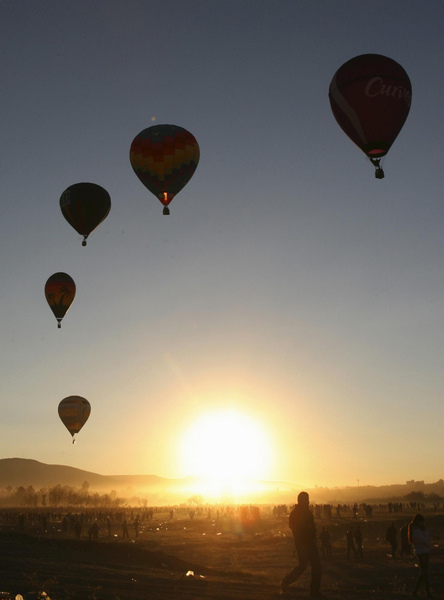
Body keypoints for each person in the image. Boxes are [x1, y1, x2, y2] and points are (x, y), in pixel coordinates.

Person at [280, 492, 322, 598]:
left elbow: (310, 526)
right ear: (301, 500)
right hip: (302, 543)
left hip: (310, 542)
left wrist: (312, 530)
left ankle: (314, 592)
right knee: (303, 566)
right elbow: (293, 527)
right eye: (306, 499)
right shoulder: (295, 513)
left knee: (316, 567)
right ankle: (286, 582)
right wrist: (306, 528)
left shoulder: (307, 512)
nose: (308, 501)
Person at [409, 514, 432, 598]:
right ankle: (428, 592)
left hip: (424, 551)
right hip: (421, 552)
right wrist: (425, 532)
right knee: (424, 573)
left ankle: (415, 591)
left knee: (423, 573)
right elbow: (424, 540)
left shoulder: (418, 530)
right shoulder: (416, 530)